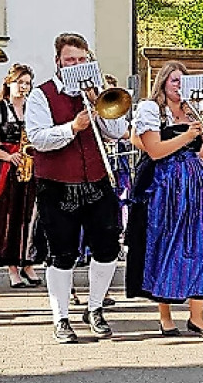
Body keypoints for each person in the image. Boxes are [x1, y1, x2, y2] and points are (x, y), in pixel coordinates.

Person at [24, 33, 127, 343]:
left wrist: (100, 102)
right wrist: (73, 127)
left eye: (82, 60)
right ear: (58, 62)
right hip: (56, 185)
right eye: (71, 60)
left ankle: (95, 309)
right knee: (61, 254)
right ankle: (61, 317)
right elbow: (38, 138)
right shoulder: (41, 95)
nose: (77, 65)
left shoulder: (97, 92)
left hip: (96, 181)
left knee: (108, 248)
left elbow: (118, 132)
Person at [126, 61, 203, 337]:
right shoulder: (151, 109)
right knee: (166, 244)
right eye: (174, 80)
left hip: (195, 181)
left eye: (183, 81)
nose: (179, 86)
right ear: (163, 83)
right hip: (163, 184)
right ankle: (165, 316)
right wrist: (189, 134)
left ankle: (197, 316)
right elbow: (155, 151)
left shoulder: (193, 110)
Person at [0, 63, 41, 288]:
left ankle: (28, 262)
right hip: (6, 166)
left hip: (29, 166)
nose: (24, 87)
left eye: (27, 83)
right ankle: (12, 267)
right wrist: (7, 156)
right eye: (20, 82)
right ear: (9, 83)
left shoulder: (33, 108)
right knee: (8, 216)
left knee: (29, 216)